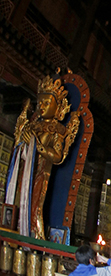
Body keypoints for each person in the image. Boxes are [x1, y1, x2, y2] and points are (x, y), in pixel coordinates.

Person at [6, 75, 80, 239]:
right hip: (24, 170)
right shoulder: (32, 126)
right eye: (40, 103)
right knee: (17, 202)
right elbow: (18, 146)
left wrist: (38, 146)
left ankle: (35, 235)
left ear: (58, 107)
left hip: (40, 172)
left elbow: (58, 156)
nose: (42, 106)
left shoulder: (57, 130)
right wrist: (21, 142)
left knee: (34, 207)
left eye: (47, 103)